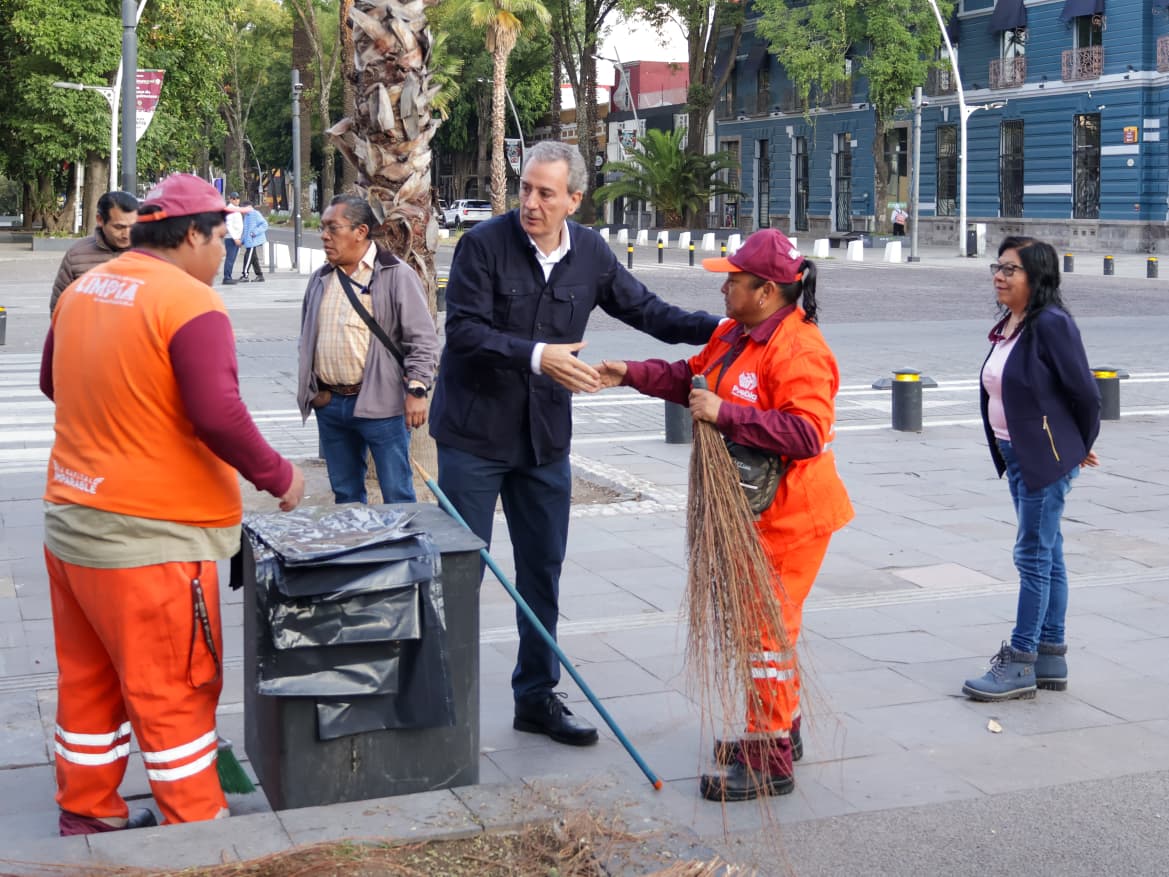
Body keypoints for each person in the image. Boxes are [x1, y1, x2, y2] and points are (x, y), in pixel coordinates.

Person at [429, 140, 720, 747]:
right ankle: (436, 703)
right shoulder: (482, 246)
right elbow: (462, 333)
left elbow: (650, 312)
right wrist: (538, 356)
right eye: (526, 188)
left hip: (543, 442)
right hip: (473, 437)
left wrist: (726, 326)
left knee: (543, 572)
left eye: (545, 193)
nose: (530, 203)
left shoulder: (590, 252)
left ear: (574, 200)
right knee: (458, 574)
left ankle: (535, 697)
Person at [40, 173, 306, 835]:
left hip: (71, 523)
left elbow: (52, 379)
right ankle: (198, 828)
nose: (225, 252)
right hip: (150, 540)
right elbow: (217, 414)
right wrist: (279, 475)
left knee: (89, 683)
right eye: (222, 237)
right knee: (176, 693)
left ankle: (88, 814)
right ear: (191, 233)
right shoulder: (189, 303)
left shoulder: (84, 289)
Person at [596, 228, 854, 801]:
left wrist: (728, 413)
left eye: (733, 279)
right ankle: (781, 729)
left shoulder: (799, 348)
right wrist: (629, 373)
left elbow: (807, 432)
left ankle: (770, 759)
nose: (724, 287)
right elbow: (692, 378)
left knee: (766, 635)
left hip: (792, 517)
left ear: (765, 290)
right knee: (762, 631)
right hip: (755, 514)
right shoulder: (739, 335)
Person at [962, 237, 1100, 702]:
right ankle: (1050, 656)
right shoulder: (1012, 324)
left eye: (1010, 270)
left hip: (1043, 459)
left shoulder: (1053, 324)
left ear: (1036, 278)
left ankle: (1020, 661)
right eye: (997, 268)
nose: (999, 276)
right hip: (1018, 454)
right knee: (1049, 552)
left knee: (1032, 556)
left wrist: (1078, 446)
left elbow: (1086, 394)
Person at [296, 194, 439, 504]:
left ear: (360, 232)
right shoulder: (321, 278)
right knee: (346, 495)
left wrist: (417, 392)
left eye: (333, 228)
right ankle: (356, 550)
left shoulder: (395, 274)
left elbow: (423, 341)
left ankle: (401, 552)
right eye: (323, 228)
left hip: (382, 406)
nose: (324, 235)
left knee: (397, 494)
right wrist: (314, 392)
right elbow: (306, 338)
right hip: (331, 404)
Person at [50, 190, 139, 313]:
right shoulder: (77, 255)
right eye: (119, 227)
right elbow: (58, 308)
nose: (126, 234)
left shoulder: (151, 254)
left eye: (133, 227)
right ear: (100, 220)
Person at [239, 202, 268, 282]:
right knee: (254, 259)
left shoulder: (255, 214)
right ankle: (260, 275)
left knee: (247, 257)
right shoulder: (246, 216)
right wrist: (242, 241)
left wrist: (254, 233)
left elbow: (265, 224)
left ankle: (245, 275)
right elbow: (246, 231)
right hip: (249, 241)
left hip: (253, 241)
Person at [221, 192, 242, 284]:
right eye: (234, 198)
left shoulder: (236, 209)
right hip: (231, 238)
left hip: (237, 237)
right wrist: (235, 238)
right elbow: (229, 225)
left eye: (237, 198)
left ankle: (229, 276)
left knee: (233, 258)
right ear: (230, 199)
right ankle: (226, 277)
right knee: (230, 258)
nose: (236, 200)